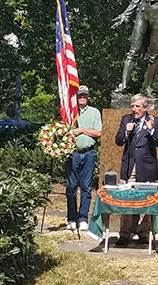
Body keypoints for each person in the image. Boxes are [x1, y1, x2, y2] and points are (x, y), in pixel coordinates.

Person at [114, 93, 158, 246]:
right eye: (133, 106)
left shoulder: (155, 121)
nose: (134, 109)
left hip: (146, 167)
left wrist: (151, 130)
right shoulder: (126, 120)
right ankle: (124, 234)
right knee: (127, 199)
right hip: (129, 166)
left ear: (145, 107)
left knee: (144, 200)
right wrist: (126, 132)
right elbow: (118, 141)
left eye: (138, 107)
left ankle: (143, 233)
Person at [65, 85, 102, 231]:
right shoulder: (70, 113)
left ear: (88, 97)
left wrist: (82, 131)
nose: (82, 98)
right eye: (80, 95)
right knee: (71, 187)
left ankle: (83, 219)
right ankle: (71, 219)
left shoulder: (94, 112)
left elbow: (98, 132)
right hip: (72, 153)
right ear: (76, 97)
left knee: (86, 188)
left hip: (88, 153)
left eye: (84, 95)